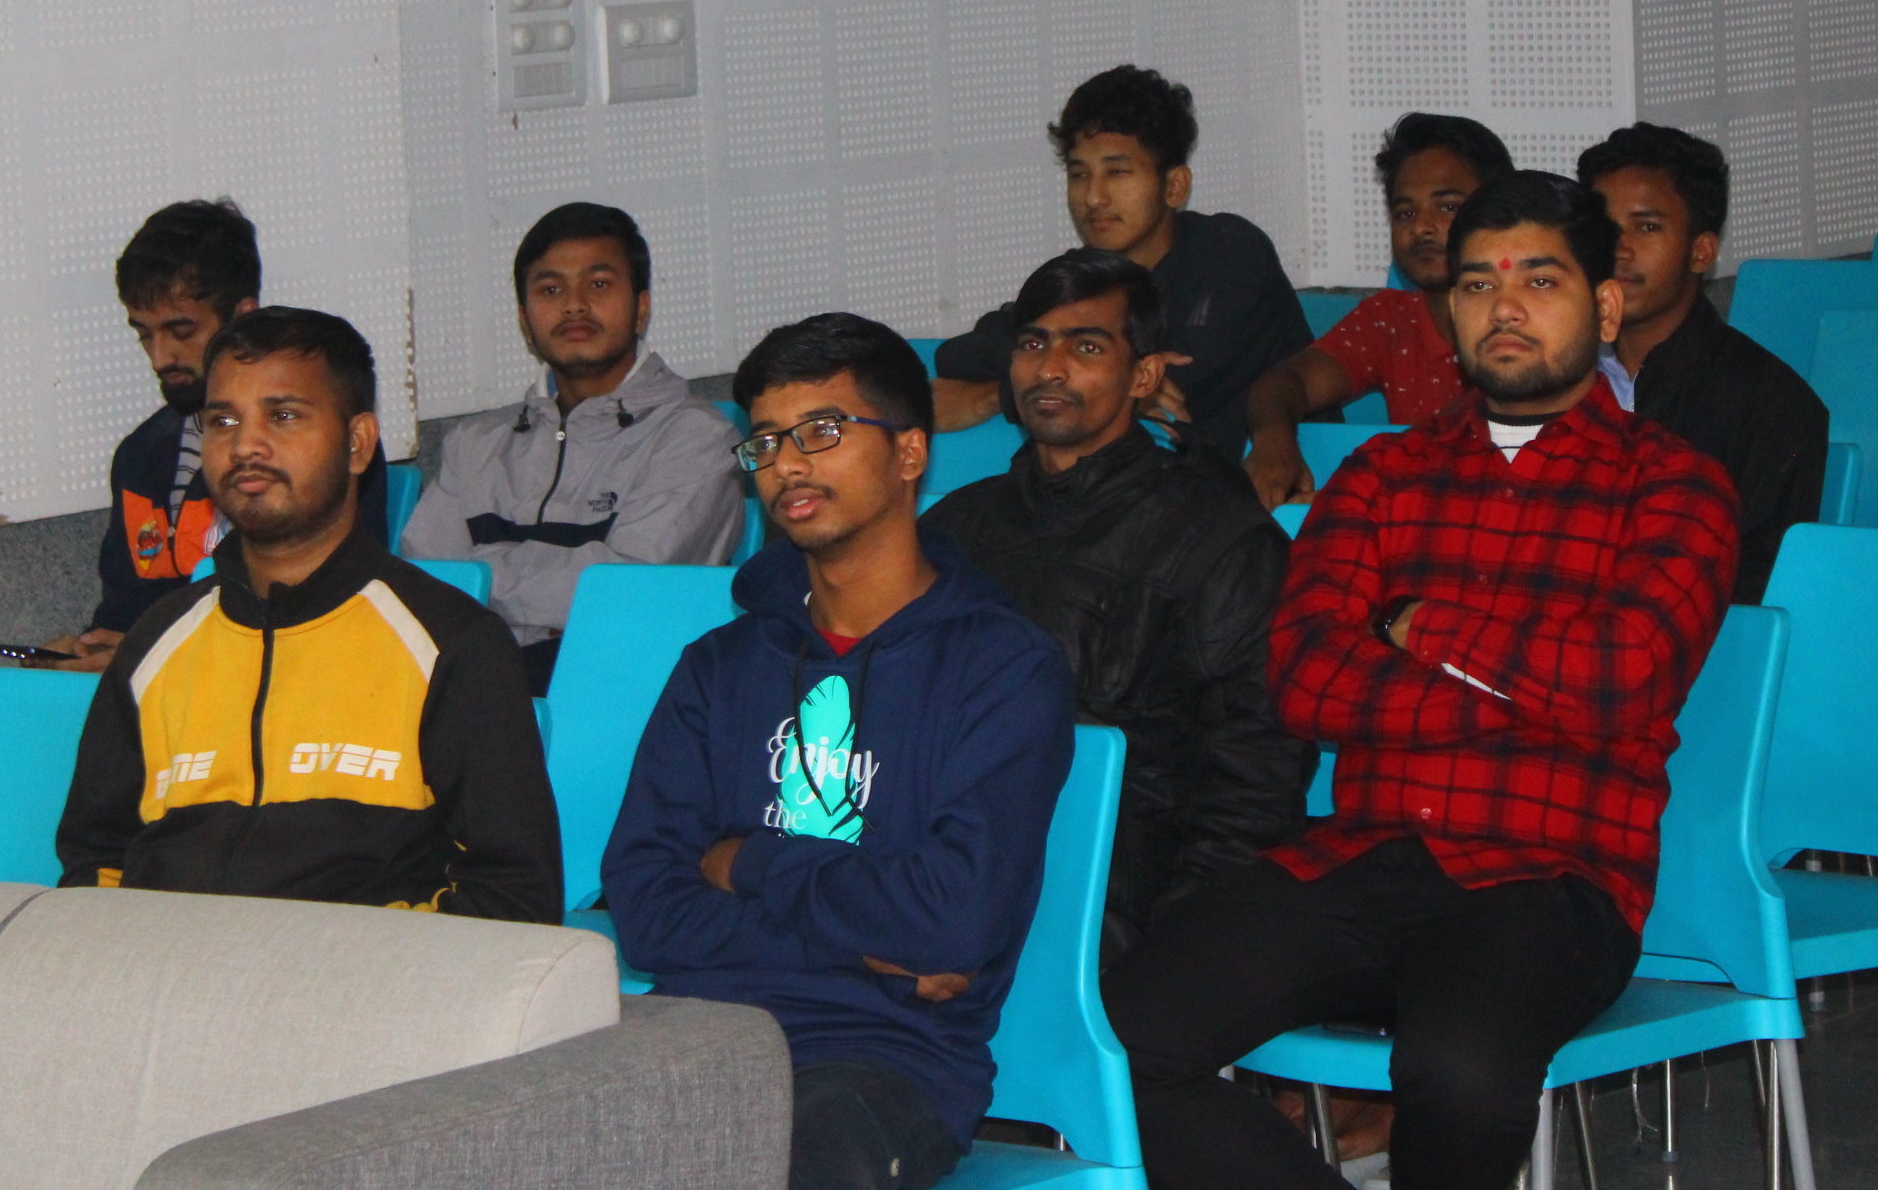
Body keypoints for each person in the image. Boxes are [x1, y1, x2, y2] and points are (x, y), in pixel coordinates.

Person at [1103, 173, 1739, 1190]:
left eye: (1540, 280)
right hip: (1364, 853)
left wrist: (1413, 625)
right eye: (1478, 284)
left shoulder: (1673, 485)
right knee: (1115, 1040)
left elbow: (1620, 679)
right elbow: (1306, 680)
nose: (1504, 307)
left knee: (1460, 1073)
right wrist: (1524, 701)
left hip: (1550, 878)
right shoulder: (1383, 474)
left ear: (1607, 305)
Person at [604, 314, 1074, 1190]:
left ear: (909, 452)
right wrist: (859, 948)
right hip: (694, 1033)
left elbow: (953, 923)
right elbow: (643, 904)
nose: (787, 464)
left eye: (821, 431)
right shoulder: (719, 667)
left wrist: (746, 860)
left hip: (882, 1058)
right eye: (766, 441)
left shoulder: (1003, 667)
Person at [55, 307, 562, 921]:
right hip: (169, 966)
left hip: (358, 973)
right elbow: (95, 861)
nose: (246, 444)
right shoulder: (156, 643)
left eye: (284, 415)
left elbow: (513, 895)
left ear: (358, 443)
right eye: (223, 421)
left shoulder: (452, 644)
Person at [926, 249, 1311, 961]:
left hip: (1129, 895)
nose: (1050, 369)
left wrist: (1175, 944)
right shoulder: (954, 530)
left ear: (1145, 376)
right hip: (955, 873)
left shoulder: (1220, 539)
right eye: (1033, 344)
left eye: (1087, 347)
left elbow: (1254, 777)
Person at [401, 202, 743, 690]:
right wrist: (560, 581)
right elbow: (424, 583)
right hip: (473, 678)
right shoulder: (474, 444)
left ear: (642, 306)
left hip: (615, 687)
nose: (575, 305)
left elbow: (624, 596)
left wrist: (480, 572)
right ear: (525, 319)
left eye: (599, 284)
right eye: (550, 289)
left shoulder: (697, 440)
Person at [51, 200, 387, 674]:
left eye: (181, 330)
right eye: (144, 334)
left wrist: (156, 655)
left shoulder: (312, 446)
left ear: (241, 317)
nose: (160, 357)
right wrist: (92, 651)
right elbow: (122, 612)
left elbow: (330, 609)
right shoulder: (138, 457)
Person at [931, 65, 1312, 470]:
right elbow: (958, 356)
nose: (1093, 197)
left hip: (1279, 483)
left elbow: (1181, 384)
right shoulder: (1084, 276)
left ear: (1174, 186)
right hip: (1143, 486)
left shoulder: (1231, 253)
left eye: (1116, 172)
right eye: (1079, 174)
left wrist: (995, 397)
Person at [1577, 123, 1826, 604]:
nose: (1618, 248)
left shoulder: (1771, 404)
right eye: (1602, 227)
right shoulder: (1556, 380)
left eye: (1647, 227)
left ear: (1701, 251)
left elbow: (1755, 584)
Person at [1243, 114, 1516, 506]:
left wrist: (1363, 492)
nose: (1421, 227)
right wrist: (1273, 443)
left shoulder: (1530, 316)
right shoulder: (1392, 320)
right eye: (1405, 213)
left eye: (1447, 207)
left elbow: (1480, 416)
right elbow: (1286, 383)